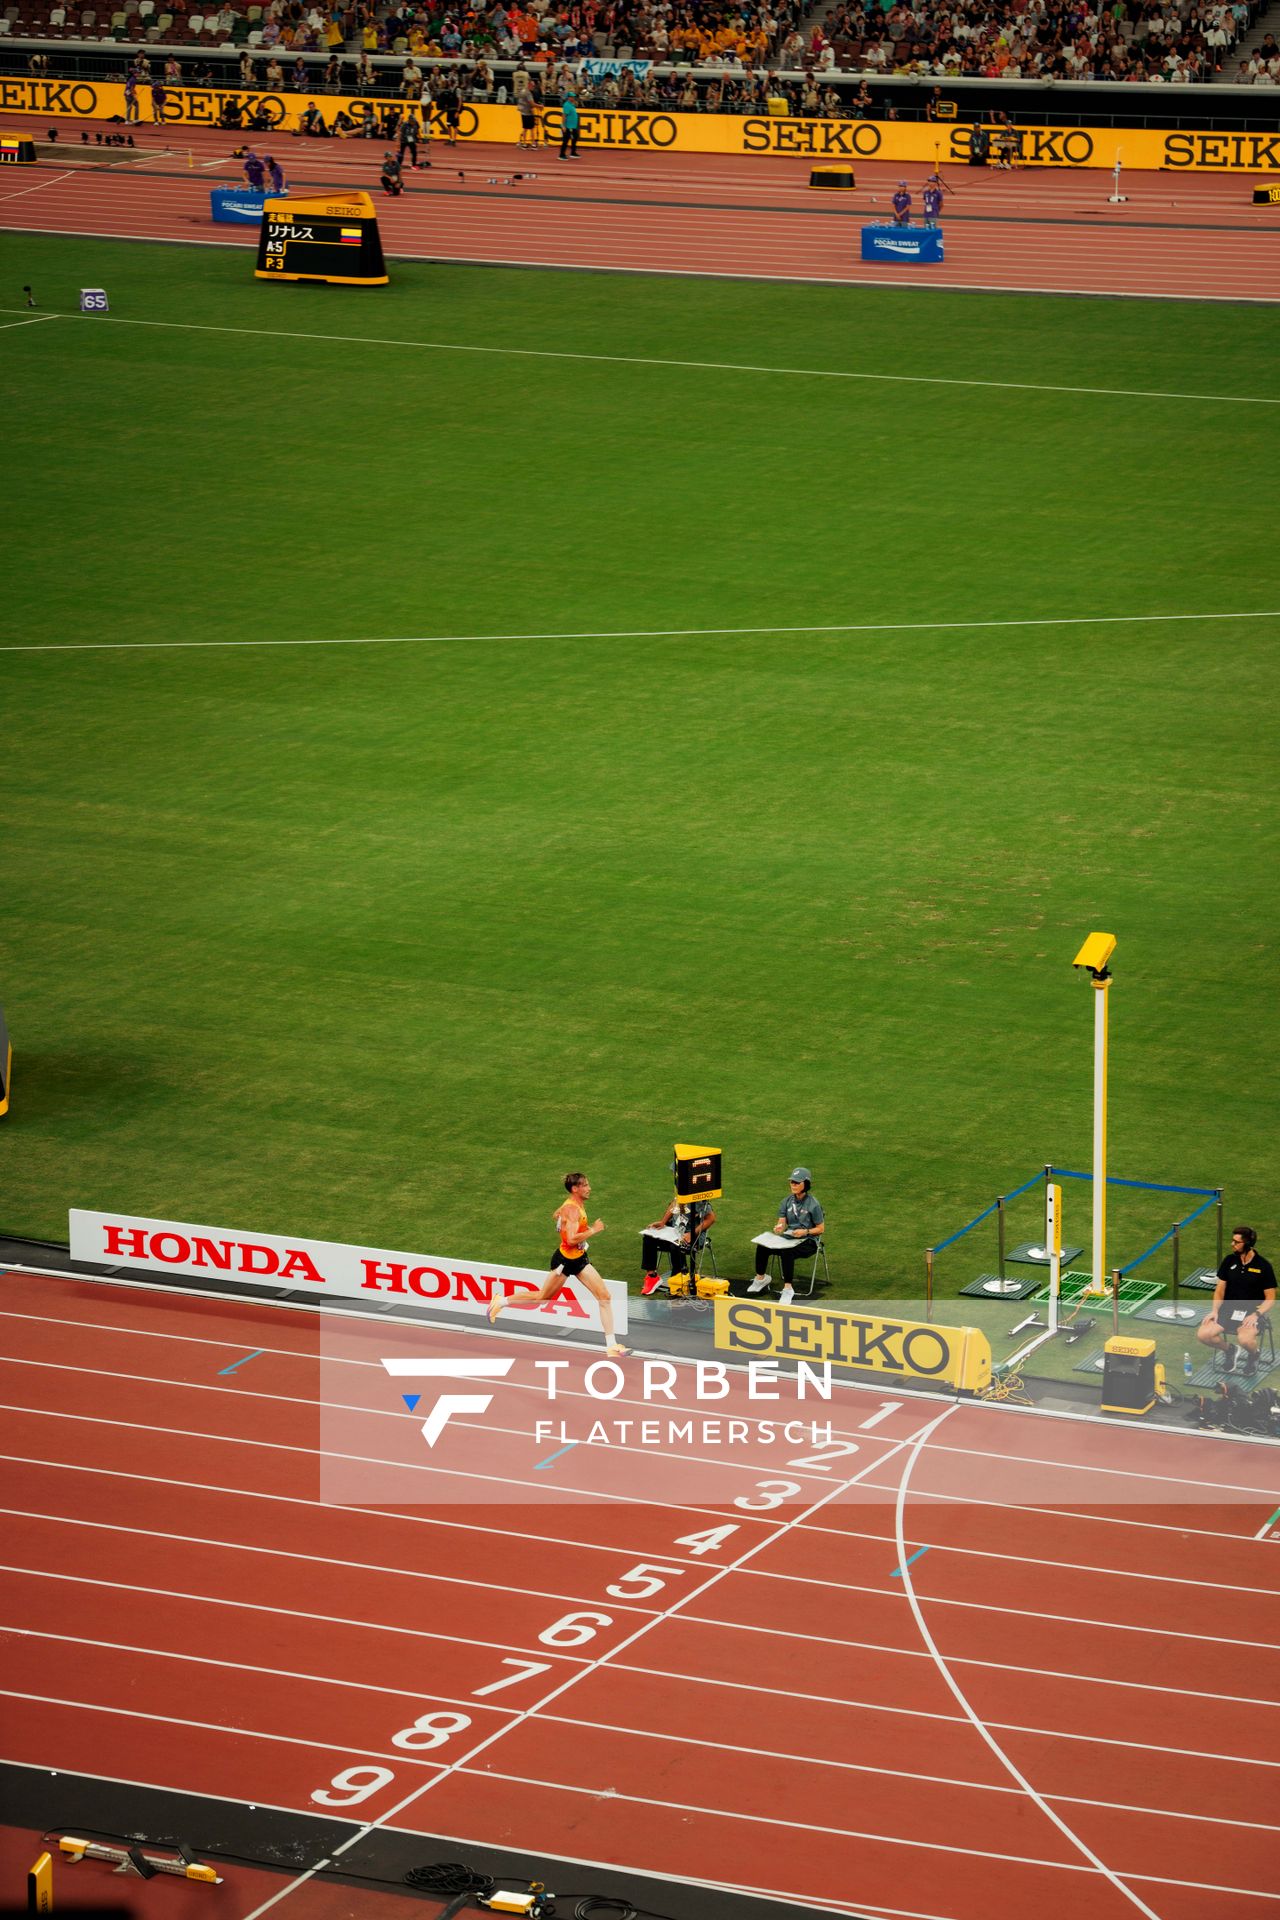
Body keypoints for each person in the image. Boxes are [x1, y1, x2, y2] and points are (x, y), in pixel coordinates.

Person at [489, 1173, 628, 1357]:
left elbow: (559, 1214)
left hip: (578, 1259)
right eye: (585, 1185)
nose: (589, 1188)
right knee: (542, 1298)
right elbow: (570, 1239)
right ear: (575, 1189)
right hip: (563, 1261)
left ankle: (611, 1345)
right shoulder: (572, 1209)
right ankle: (500, 1301)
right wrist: (593, 1229)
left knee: (604, 1296)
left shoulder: (572, 1205)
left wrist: (560, 1218)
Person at [1197, 1227, 1276, 1376]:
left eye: (1236, 1242)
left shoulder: (1263, 1266)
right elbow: (1220, 1290)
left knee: (1245, 1339)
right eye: (1233, 1241)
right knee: (1204, 1334)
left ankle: (1253, 1355)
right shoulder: (1229, 1261)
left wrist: (1256, 1314)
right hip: (1227, 1309)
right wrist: (1214, 1311)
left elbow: (1270, 1298)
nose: (1232, 1244)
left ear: (1247, 1244)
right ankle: (1230, 1350)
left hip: (1252, 1312)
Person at [747, 1168, 825, 1307]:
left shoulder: (813, 1204)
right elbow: (782, 1222)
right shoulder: (786, 1201)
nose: (793, 1185)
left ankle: (788, 1289)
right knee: (762, 1246)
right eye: (791, 1182)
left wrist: (805, 1232)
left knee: (787, 1252)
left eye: (796, 1182)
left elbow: (820, 1229)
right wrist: (779, 1227)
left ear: (805, 1184)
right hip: (789, 1238)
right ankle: (761, 1278)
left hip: (808, 1241)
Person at [640, 1173, 716, 1297]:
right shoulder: (681, 1191)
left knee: (676, 1246)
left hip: (693, 1235)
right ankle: (652, 1276)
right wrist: (663, 1222)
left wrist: (692, 1233)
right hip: (675, 1231)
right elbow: (674, 1204)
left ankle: (677, 1279)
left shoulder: (698, 1198)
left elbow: (711, 1218)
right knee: (649, 1237)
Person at [559, 90, 579, 158]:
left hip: (573, 126)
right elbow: (564, 116)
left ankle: (573, 152)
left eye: (574, 97)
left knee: (575, 138)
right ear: (569, 97)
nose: (573, 98)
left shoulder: (571, 104)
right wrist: (563, 126)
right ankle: (561, 154)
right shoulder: (567, 105)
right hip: (568, 126)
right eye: (572, 97)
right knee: (566, 140)